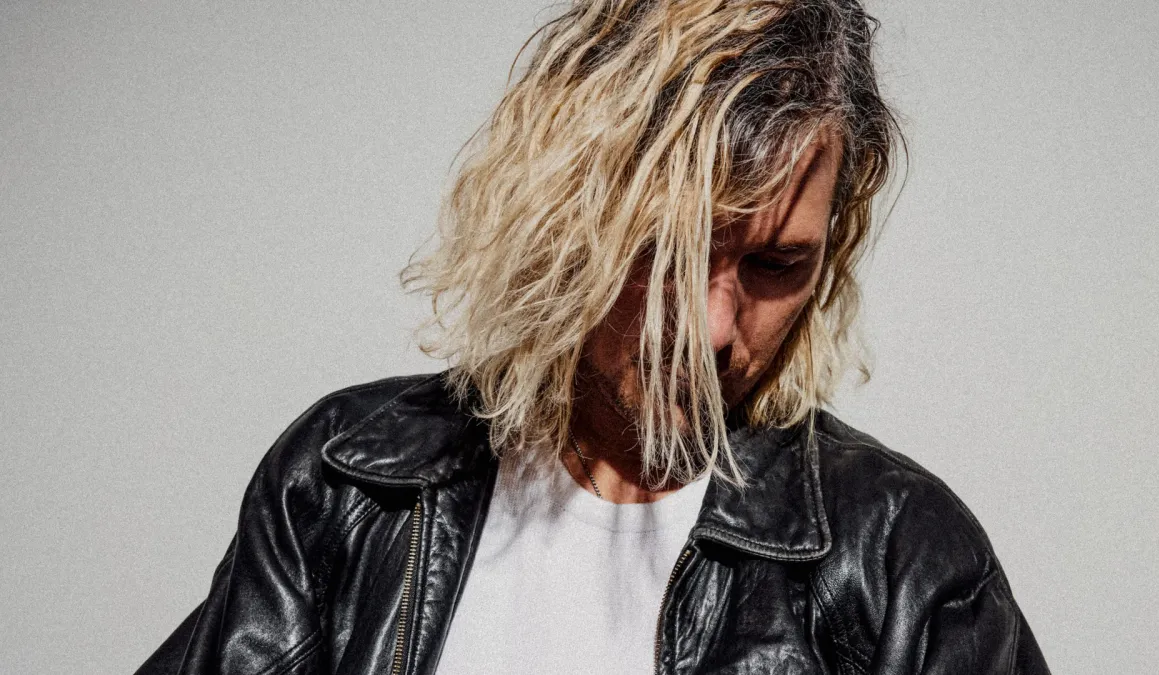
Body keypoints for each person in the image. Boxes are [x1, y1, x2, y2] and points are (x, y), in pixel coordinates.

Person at [137, 1, 1049, 673]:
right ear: (569, 209)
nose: (713, 327)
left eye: (776, 265)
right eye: (667, 249)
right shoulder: (346, 488)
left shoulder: (903, 561)